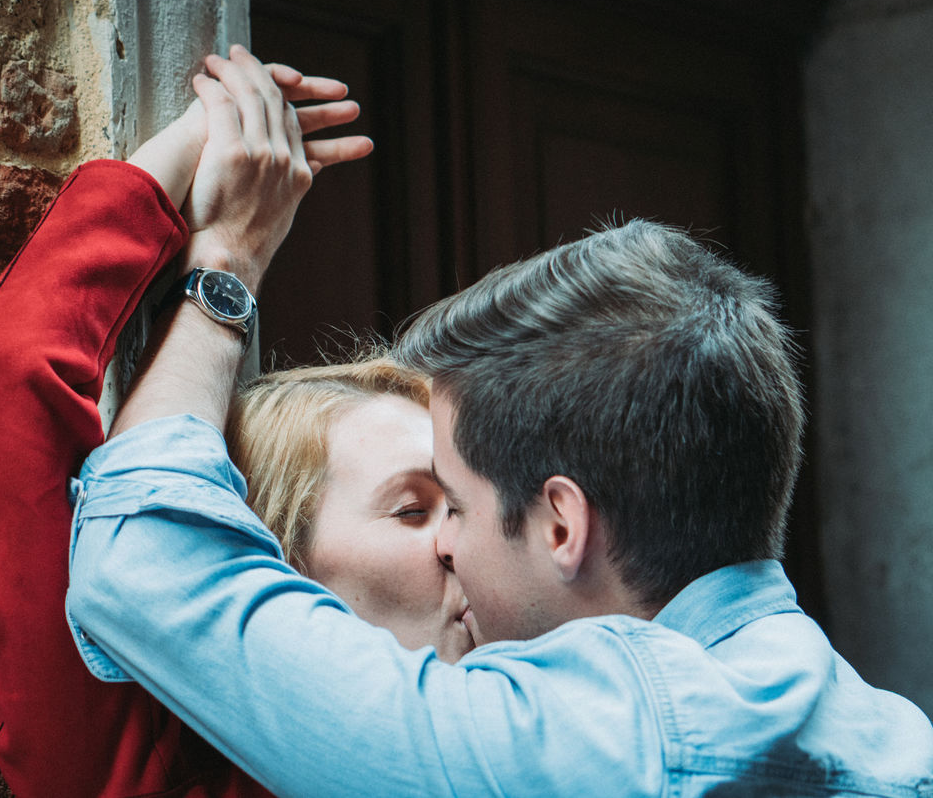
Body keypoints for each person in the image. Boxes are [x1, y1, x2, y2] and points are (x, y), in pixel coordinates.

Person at [65, 46, 933, 796]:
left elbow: (137, 565)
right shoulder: (896, 739)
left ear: (563, 522)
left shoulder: (589, 744)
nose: (446, 543)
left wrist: (225, 264)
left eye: (457, 503)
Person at [0, 51, 468, 796]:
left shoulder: (551, 724)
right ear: (269, 555)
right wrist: (212, 188)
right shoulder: (145, 763)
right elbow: (11, 380)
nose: (462, 541)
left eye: (465, 505)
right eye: (414, 508)